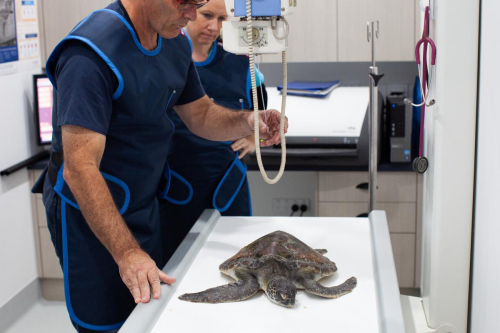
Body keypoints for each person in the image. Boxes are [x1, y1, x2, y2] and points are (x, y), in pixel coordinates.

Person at [30, 0, 287, 332]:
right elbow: (79, 168)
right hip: (89, 212)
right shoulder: (90, 55)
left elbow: (201, 114)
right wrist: (127, 254)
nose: (194, 16)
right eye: (186, 3)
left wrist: (249, 121)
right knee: (107, 321)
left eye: (199, 5)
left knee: (148, 317)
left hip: (142, 201)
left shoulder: (174, 41)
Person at [159, 0, 268, 264]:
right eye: (206, 15)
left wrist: (255, 140)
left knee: (239, 264)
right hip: (176, 185)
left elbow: (264, 119)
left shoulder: (243, 67)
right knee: (177, 265)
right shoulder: (164, 61)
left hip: (228, 183)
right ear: (188, 9)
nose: (213, 26)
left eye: (221, 19)